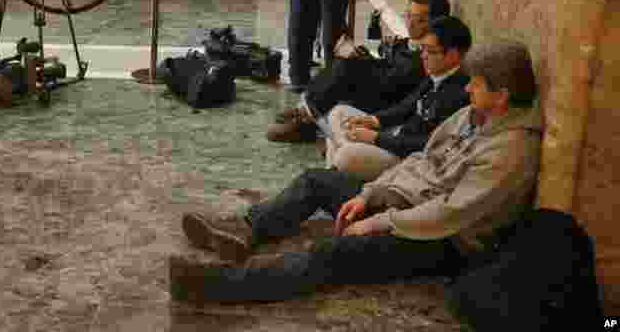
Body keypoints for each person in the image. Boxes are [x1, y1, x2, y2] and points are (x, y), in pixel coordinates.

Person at [169, 40, 542, 305]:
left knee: (333, 254)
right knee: (316, 181)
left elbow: (449, 214)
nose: (468, 87)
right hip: (407, 202)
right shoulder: (471, 116)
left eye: (477, 83)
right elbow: (419, 160)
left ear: (502, 95)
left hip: (444, 239)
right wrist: (370, 194)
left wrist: (379, 222)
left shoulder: (510, 150)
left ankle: (221, 286)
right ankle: (247, 228)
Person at [268, 0, 450, 143]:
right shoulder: (408, 44)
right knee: (344, 62)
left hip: (388, 101)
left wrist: (365, 64)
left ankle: (306, 118)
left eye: (419, 20)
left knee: (347, 68)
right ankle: (306, 113)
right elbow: (389, 67)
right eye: (408, 15)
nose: (410, 23)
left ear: (435, 22)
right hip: (383, 87)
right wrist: (366, 57)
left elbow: (396, 82)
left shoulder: (429, 56)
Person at [315, 15, 472, 180]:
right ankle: (336, 174)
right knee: (338, 113)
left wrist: (376, 138)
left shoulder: (460, 94)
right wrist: (373, 120)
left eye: (430, 51)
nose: (423, 56)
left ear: (453, 55)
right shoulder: (437, 73)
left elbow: (429, 144)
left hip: (409, 158)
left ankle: (335, 170)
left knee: (344, 153)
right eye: (423, 49)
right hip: (395, 136)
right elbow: (406, 106)